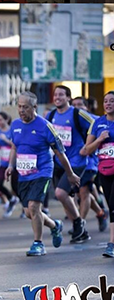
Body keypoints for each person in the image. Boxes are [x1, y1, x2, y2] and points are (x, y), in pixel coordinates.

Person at [5, 91, 80, 256]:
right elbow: (14, 147)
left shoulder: (45, 126)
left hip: (42, 172)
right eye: (19, 106)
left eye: (25, 107)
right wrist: (11, 165)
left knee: (34, 207)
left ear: (34, 107)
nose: (21, 110)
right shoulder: (15, 125)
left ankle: (38, 243)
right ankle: (55, 226)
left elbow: (60, 153)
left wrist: (70, 174)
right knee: (28, 212)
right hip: (24, 173)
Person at [46, 85, 94, 244]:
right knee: (66, 198)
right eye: (55, 95)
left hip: (76, 162)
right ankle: (81, 229)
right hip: (58, 162)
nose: (57, 97)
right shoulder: (51, 115)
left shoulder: (77, 113)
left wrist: (87, 146)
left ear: (68, 98)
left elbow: (95, 125)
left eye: (61, 94)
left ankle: (79, 223)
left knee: (60, 193)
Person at [82, 91, 114, 257]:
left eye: (112, 101)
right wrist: (100, 139)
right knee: (111, 205)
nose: (108, 104)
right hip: (105, 170)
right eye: (106, 101)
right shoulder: (97, 123)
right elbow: (87, 149)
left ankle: (111, 244)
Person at [72, 96, 107, 232]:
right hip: (73, 163)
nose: (77, 107)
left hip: (90, 163)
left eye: (80, 104)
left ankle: (80, 225)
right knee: (78, 194)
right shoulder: (68, 120)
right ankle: (100, 213)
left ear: (86, 107)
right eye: (74, 104)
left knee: (84, 191)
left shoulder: (95, 120)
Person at [0, 111, 18, 218]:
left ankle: (25, 208)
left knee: (15, 187)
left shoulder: (12, 131)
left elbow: (16, 145)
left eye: (0, 120)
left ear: (6, 119)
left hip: (14, 162)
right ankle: (11, 199)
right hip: (3, 161)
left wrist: (6, 140)